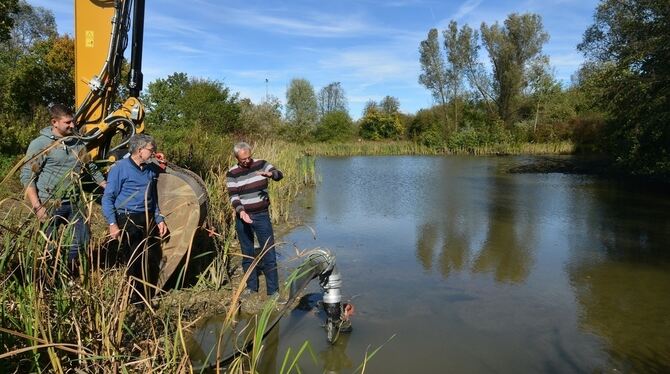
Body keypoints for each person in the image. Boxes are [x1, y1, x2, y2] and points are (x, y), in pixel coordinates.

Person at [20, 104, 105, 272]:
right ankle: (49, 278)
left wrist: (103, 183)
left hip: (74, 201)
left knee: (82, 240)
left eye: (73, 121)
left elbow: (90, 166)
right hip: (50, 202)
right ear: (55, 122)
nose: (72, 125)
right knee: (49, 246)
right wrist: (37, 206)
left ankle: (66, 271)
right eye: (68, 122)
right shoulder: (41, 144)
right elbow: (28, 177)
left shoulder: (77, 142)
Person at [101, 134, 168, 304]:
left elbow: (153, 196)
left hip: (147, 216)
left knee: (153, 256)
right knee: (135, 258)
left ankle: (148, 294)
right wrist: (112, 224)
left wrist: (159, 218)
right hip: (128, 217)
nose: (153, 153)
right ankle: (135, 300)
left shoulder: (150, 168)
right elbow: (108, 198)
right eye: (151, 150)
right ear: (139, 150)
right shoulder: (119, 168)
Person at [226, 142, 283, 297]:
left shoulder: (262, 164)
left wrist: (272, 174)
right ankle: (251, 287)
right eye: (243, 159)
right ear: (236, 157)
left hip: (262, 215)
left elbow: (279, 174)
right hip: (243, 217)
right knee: (247, 253)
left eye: (249, 157)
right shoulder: (232, 173)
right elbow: (233, 195)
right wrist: (241, 211)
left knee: (268, 252)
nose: (247, 161)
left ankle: (273, 291)